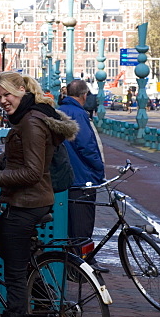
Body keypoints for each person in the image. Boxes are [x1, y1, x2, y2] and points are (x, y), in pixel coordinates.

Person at [0, 71, 78, 317]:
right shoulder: (32, 116)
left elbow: (31, 172)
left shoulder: (31, 122)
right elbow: (16, 160)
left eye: (7, 95)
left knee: (13, 282)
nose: (2, 102)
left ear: (22, 90)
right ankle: (37, 286)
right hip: (30, 202)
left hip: (28, 203)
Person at [58, 79, 106, 269]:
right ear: (84, 95)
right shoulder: (79, 113)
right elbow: (87, 146)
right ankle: (83, 265)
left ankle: (72, 262)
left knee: (69, 224)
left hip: (65, 177)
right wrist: (98, 170)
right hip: (82, 178)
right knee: (83, 225)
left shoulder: (59, 111)